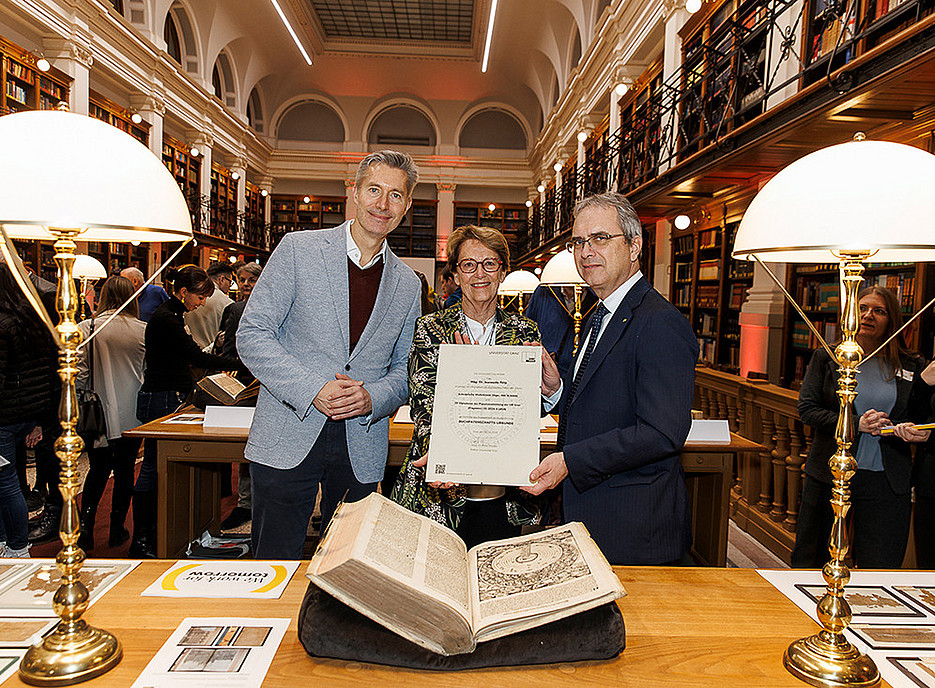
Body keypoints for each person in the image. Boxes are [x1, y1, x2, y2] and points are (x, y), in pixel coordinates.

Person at [238, 150, 422, 559]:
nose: (383, 203)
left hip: (361, 442)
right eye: (374, 190)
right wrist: (313, 389)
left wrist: (372, 397)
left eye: (395, 195)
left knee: (345, 568)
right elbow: (252, 335)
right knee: (273, 564)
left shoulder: (409, 283)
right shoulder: (297, 250)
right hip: (288, 431)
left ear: (407, 205)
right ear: (354, 192)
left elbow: (405, 369)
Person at [521, 192, 698, 566]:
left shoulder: (660, 322)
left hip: (633, 526)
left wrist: (571, 461)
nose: (586, 252)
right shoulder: (597, 315)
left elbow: (661, 432)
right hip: (592, 512)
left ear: (634, 246)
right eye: (578, 242)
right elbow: (598, 401)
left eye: (600, 238)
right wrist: (556, 390)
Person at [391, 225, 556, 548]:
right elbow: (424, 407)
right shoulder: (431, 329)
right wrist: (469, 376)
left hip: (505, 494)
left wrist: (550, 392)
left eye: (489, 263)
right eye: (468, 264)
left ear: (503, 272)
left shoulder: (525, 330)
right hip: (442, 491)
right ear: (455, 273)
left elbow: (527, 409)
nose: (479, 273)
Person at [792, 285, 930, 569]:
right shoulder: (828, 357)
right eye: (862, 308)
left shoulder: (912, 364)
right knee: (813, 558)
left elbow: (918, 416)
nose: (868, 316)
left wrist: (907, 430)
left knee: (881, 565)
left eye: (879, 311)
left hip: (887, 479)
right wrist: (856, 424)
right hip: (832, 473)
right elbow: (807, 410)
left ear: (892, 320)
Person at [131, 265, 242, 557]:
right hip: (163, 396)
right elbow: (193, 355)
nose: (202, 303)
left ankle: (154, 532)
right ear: (183, 292)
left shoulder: (174, 315)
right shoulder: (167, 319)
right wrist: (237, 364)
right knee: (152, 467)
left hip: (170, 393)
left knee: (156, 467)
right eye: (200, 297)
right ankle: (143, 538)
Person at [76, 276, 145, 551]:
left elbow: (80, 374)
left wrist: (80, 401)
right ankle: (117, 528)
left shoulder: (87, 328)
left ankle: (85, 529)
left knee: (97, 469)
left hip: (97, 412)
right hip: (132, 412)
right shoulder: (143, 330)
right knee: (125, 470)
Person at [0, 262, 56, 557]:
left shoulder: (2, 323)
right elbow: (45, 370)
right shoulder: (31, 318)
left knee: (6, 482)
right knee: (8, 480)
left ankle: (17, 546)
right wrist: (38, 420)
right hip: (29, 410)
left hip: (6, 413)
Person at [213, 261, 263, 532]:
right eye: (241, 280)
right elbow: (228, 351)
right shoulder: (234, 309)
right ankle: (245, 503)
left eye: (250, 280)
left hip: (271, 385)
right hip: (246, 384)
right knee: (247, 445)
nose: (245, 284)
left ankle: (262, 501)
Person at [185, 261, 234, 349]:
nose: (229, 286)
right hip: (211, 353)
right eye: (230, 282)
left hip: (189, 350)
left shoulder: (189, 297)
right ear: (222, 279)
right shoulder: (228, 304)